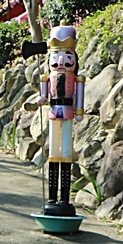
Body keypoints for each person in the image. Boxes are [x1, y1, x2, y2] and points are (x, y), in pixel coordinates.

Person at [36, 25, 86, 216]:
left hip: (68, 111)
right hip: (53, 110)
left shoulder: (77, 78)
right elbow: (43, 95)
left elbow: (79, 96)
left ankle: (64, 197)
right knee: (53, 153)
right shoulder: (47, 77)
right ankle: (51, 196)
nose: (61, 61)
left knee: (66, 153)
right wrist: (41, 98)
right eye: (56, 56)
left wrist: (79, 110)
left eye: (67, 55)